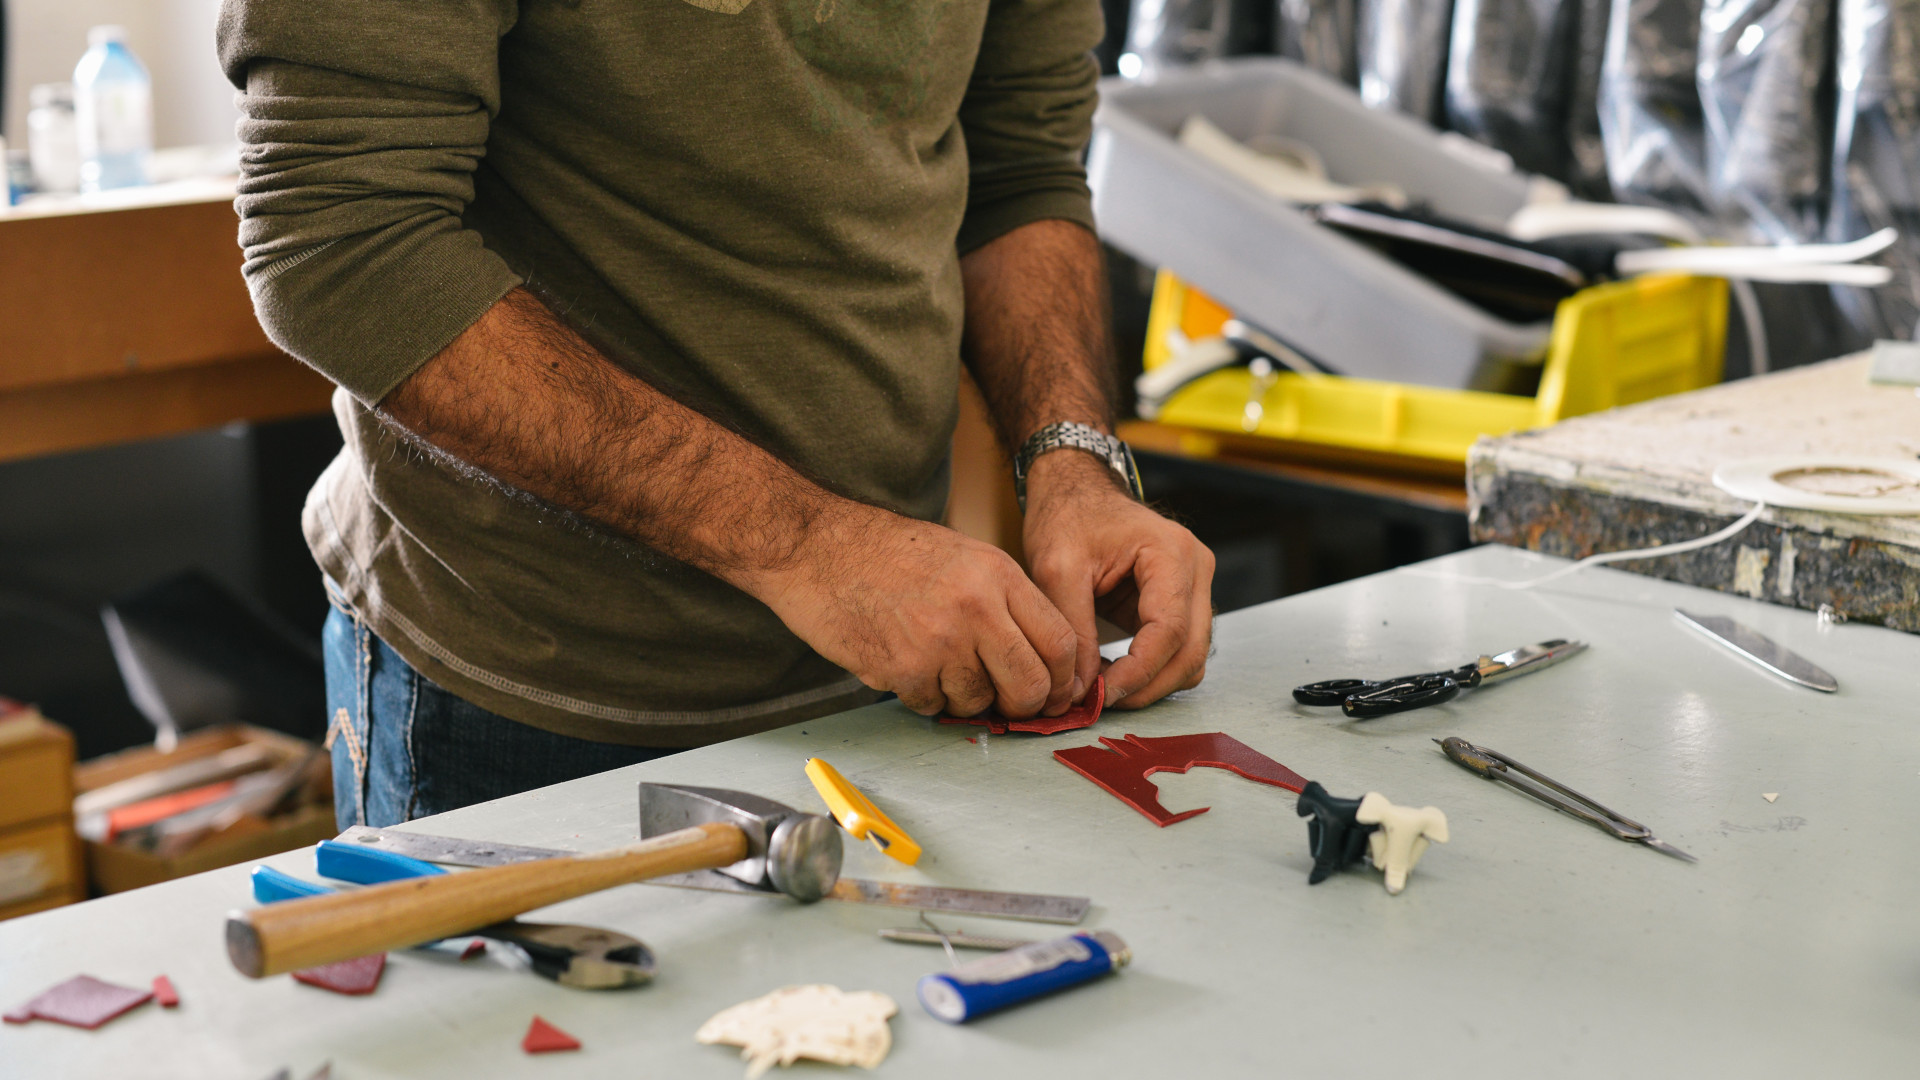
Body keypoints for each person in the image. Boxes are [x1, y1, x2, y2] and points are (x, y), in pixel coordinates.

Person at [216, 0, 1215, 829]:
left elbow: (1019, 167)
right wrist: (810, 547)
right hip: (530, 692)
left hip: (893, 661)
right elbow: (343, 245)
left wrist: (1072, 464)